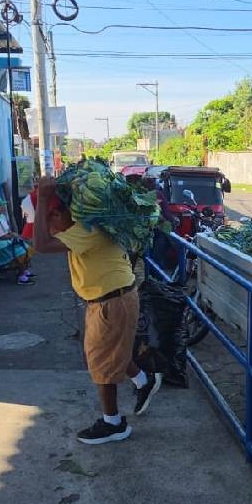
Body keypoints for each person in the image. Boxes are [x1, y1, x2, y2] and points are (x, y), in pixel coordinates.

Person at [33, 177, 162, 444]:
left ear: (60, 212)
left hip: (111, 302)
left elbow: (41, 245)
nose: (51, 227)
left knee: (100, 362)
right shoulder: (89, 226)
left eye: (50, 219)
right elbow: (44, 238)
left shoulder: (85, 231)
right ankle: (143, 380)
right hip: (114, 299)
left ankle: (113, 423)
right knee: (113, 350)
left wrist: (44, 198)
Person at [0, 195, 34, 285]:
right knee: (21, 253)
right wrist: (14, 236)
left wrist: (14, 235)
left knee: (27, 248)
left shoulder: (1, 216)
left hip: (7, 243)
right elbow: (1, 236)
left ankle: (23, 271)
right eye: (0, 206)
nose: (2, 207)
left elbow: (8, 230)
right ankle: (21, 277)